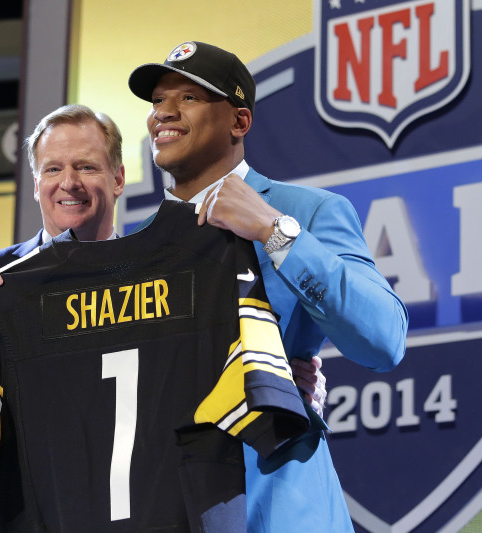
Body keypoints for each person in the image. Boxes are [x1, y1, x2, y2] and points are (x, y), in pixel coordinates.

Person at [0, 103, 327, 533]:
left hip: (159, 512)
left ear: (118, 179)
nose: (70, 183)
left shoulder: (180, 273)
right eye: (54, 169)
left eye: (86, 167)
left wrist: (277, 378)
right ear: (36, 181)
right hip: (16, 514)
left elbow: (218, 375)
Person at [127, 41, 409, 532]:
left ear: (239, 123)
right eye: (157, 101)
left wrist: (273, 230)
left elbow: (383, 339)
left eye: (189, 98)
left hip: (277, 499)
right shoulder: (133, 247)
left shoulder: (306, 212)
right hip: (167, 503)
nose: (164, 114)